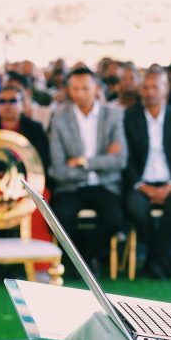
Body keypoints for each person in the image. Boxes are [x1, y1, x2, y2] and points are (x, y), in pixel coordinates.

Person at [49, 67, 127, 276]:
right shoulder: (59, 117)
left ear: (96, 88)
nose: (80, 94)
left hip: (104, 184)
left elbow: (120, 160)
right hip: (70, 185)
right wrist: (101, 161)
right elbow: (57, 168)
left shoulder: (113, 115)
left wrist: (82, 162)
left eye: (85, 88)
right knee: (60, 216)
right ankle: (84, 263)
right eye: (75, 89)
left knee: (114, 218)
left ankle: (84, 259)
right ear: (68, 90)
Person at [124, 69, 171, 279]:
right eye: (145, 87)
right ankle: (161, 259)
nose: (150, 92)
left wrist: (170, 185)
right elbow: (127, 160)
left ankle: (153, 258)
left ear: (166, 89)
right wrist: (143, 186)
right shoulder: (129, 117)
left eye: (155, 87)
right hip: (141, 183)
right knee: (135, 206)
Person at [0, 86, 50, 171]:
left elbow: (42, 161)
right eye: (2, 101)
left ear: (22, 105)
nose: (7, 106)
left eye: (13, 101)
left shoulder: (36, 130)